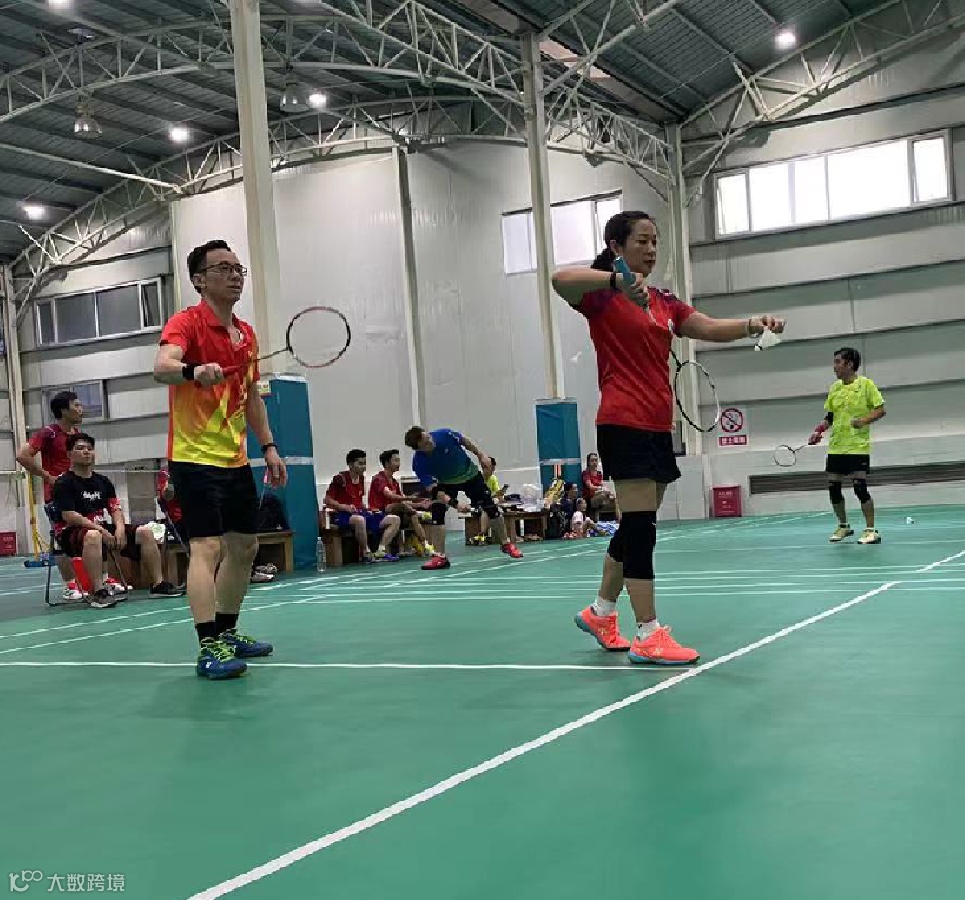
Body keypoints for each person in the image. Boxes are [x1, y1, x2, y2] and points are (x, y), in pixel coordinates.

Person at [551, 210, 785, 665]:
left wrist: (752, 325)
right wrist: (615, 282)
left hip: (658, 425)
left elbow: (707, 327)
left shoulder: (663, 301)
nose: (651, 249)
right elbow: (560, 280)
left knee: (635, 525)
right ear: (616, 246)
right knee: (641, 529)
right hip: (624, 421)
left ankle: (601, 612)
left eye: (655, 241)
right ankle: (648, 633)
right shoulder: (602, 297)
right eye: (642, 240)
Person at [153, 239, 287, 680]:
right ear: (199, 279)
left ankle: (227, 631)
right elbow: (162, 366)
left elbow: (252, 398)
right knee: (207, 547)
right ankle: (207, 645)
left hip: (234, 458)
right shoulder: (186, 323)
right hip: (193, 456)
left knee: (245, 547)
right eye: (223, 268)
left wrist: (269, 447)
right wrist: (193, 371)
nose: (234, 275)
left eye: (238, 268)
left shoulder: (246, 335)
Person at [52, 433, 182, 609]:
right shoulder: (63, 483)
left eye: (90, 448)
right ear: (69, 454)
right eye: (80, 449)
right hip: (70, 533)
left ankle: (158, 584)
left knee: (145, 532)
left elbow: (115, 508)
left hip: (101, 529)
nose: (86, 452)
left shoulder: (102, 481)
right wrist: (101, 530)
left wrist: (119, 529)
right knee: (93, 536)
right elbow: (69, 515)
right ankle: (98, 592)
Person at [404, 426, 523, 570]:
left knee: (491, 508)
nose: (431, 442)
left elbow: (464, 441)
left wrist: (481, 455)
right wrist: (455, 504)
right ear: (419, 448)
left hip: (470, 476)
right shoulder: (419, 463)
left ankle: (506, 544)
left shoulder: (444, 434)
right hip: (446, 483)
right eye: (426, 443)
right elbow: (435, 490)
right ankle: (439, 556)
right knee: (437, 513)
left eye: (428, 437)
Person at [807, 347, 885, 544]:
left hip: (857, 446)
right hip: (837, 446)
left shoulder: (866, 384)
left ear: (850, 364)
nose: (834, 367)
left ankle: (871, 530)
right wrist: (818, 431)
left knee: (860, 489)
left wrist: (863, 420)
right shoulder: (835, 388)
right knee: (833, 488)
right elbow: (830, 416)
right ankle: (844, 526)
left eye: (838, 362)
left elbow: (880, 410)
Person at [16, 390, 89, 601]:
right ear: (64, 410)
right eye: (76, 405)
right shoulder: (49, 433)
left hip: (81, 495)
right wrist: (48, 477)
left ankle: (94, 580)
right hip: (57, 497)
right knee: (64, 540)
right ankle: (70, 585)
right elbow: (22, 455)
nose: (81, 409)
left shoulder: (78, 435)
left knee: (88, 536)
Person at [324, 449, 401, 562]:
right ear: (350, 464)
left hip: (360, 513)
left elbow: (358, 501)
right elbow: (327, 500)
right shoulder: (340, 479)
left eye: (364, 463)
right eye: (360, 464)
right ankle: (366, 553)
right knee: (359, 520)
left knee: (394, 519)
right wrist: (344, 506)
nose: (364, 467)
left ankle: (381, 551)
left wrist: (368, 509)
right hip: (342, 515)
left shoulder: (361, 479)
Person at [368, 449, 433, 556]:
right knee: (398, 506)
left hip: (394, 512)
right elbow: (390, 495)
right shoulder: (378, 479)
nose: (399, 463)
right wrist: (408, 497)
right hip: (379, 514)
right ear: (387, 463)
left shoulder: (394, 482)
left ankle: (425, 545)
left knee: (412, 516)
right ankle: (381, 550)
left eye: (399, 460)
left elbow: (402, 501)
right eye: (396, 460)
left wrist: (419, 504)